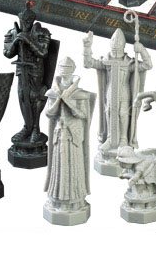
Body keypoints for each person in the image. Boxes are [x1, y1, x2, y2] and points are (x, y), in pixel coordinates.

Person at [83, 28, 152, 152]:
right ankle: (110, 139)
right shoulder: (105, 61)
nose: (116, 45)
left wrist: (141, 49)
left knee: (123, 113)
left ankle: (123, 140)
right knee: (109, 112)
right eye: (114, 42)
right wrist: (87, 47)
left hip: (124, 91)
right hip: (110, 91)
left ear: (123, 46)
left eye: (118, 43)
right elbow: (88, 63)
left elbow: (148, 65)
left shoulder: (130, 62)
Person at [44, 57, 94, 212]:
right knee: (59, 164)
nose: (64, 70)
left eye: (67, 67)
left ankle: (75, 200)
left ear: (73, 69)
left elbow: (83, 115)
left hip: (74, 133)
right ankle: (57, 199)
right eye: (62, 67)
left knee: (74, 164)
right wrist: (59, 100)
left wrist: (69, 102)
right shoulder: (53, 92)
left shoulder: (80, 94)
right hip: (59, 131)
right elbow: (49, 113)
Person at [4, 3, 52, 143]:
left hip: (35, 69)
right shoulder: (12, 32)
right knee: (22, 97)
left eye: (29, 21)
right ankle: (27, 127)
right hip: (21, 69)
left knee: (35, 97)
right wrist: (16, 41)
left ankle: (36, 128)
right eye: (24, 20)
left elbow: (43, 52)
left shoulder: (42, 32)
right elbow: (7, 53)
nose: (26, 23)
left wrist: (28, 40)